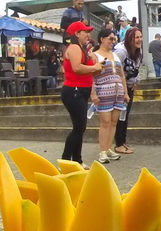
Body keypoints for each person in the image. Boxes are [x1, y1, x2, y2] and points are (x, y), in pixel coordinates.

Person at [59, 21, 102, 164]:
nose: (88, 35)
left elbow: (90, 71)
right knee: (79, 127)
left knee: (79, 128)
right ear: (77, 34)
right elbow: (77, 68)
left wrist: (96, 65)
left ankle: (77, 160)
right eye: (85, 32)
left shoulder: (83, 49)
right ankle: (66, 160)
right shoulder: (74, 48)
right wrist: (94, 66)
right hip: (74, 91)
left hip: (81, 91)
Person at [90, 30, 127, 164]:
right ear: (101, 39)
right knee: (105, 121)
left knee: (113, 122)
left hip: (117, 92)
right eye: (110, 39)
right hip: (103, 91)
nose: (112, 41)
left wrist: (126, 93)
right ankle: (102, 151)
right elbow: (91, 76)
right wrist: (93, 93)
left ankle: (108, 148)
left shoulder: (115, 56)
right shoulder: (94, 55)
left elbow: (121, 75)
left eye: (114, 39)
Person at [111, 27, 143, 154]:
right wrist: (123, 83)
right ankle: (118, 144)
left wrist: (135, 81)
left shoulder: (137, 51)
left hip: (129, 88)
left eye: (140, 37)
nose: (139, 39)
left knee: (125, 116)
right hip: (119, 88)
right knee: (119, 116)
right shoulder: (121, 51)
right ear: (130, 39)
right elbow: (113, 68)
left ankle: (122, 142)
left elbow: (137, 68)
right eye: (136, 37)